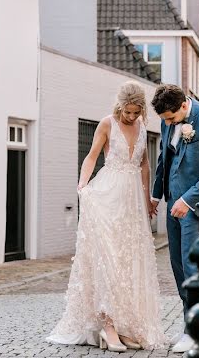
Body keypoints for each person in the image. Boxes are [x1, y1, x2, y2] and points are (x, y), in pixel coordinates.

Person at [47, 82, 166, 352]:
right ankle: (108, 326)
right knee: (108, 260)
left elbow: (145, 164)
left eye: (137, 113)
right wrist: (82, 186)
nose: (132, 117)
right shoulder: (106, 124)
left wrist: (148, 199)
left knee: (128, 261)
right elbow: (90, 158)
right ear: (121, 106)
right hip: (109, 195)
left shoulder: (142, 127)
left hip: (133, 200)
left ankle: (123, 326)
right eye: (129, 112)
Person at [150, 84, 199, 354]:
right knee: (178, 267)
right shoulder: (168, 120)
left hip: (193, 209)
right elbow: (164, 159)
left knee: (193, 268)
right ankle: (188, 324)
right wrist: (156, 195)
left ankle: (196, 333)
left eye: (171, 118)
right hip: (173, 204)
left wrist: (188, 200)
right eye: (165, 120)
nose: (169, 123)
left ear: (184, 105)